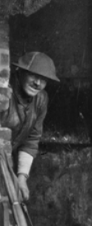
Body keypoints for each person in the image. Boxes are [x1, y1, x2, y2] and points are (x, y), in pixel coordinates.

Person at [0, 52, 59, 201]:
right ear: (20, 72)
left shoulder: (40, 99)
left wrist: (22, 178)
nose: (38, 83)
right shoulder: (6, 91)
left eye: (44, 79)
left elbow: (31, 140)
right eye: (33, 75)